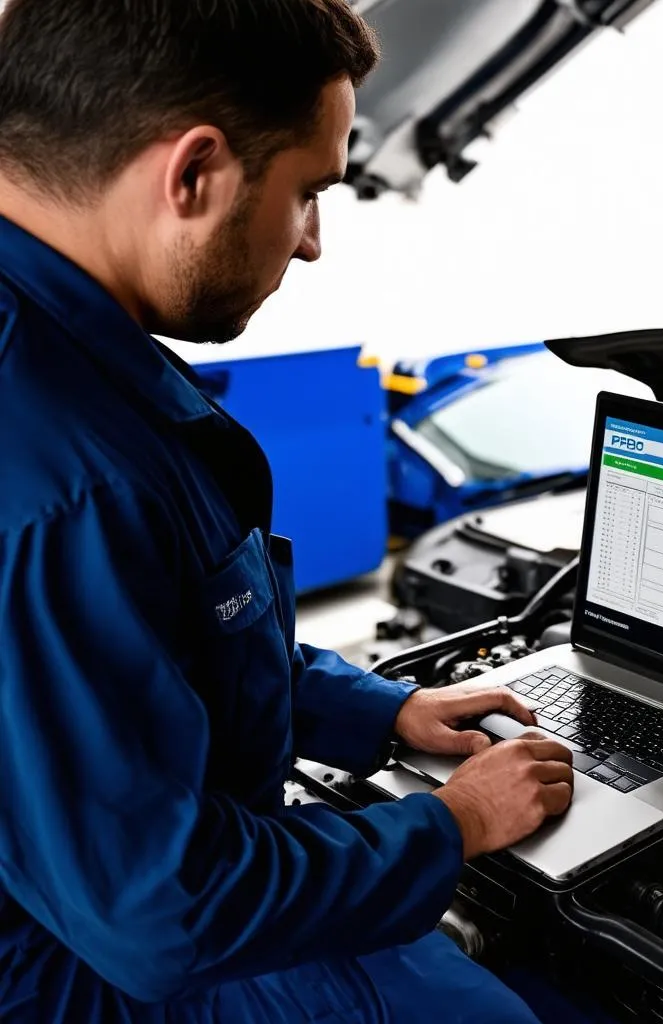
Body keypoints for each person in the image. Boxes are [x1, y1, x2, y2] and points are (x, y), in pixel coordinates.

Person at [0, 1, 577, 1021]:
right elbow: (165, 913)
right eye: (310, 191)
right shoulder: (71, 478)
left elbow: (161, 643)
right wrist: (448, 827)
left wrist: (376, 708)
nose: (312, 243)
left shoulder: (59, 348)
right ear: (194, 174)